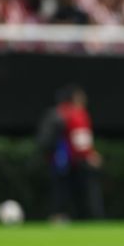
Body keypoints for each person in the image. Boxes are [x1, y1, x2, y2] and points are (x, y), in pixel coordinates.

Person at [37, 84, 104, 223]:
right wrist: (89, 155)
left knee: (60, 190)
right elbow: (80, 138)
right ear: (75, 97)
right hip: (74, 159)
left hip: (58, 160)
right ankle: (91, 218)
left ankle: (58, 216)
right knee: (85, 191)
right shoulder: (76, 113)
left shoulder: (57, 112)